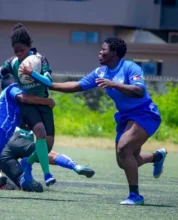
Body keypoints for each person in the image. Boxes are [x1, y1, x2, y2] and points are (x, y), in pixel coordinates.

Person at [47, 36, 167, 205]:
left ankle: (135, 196)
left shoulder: (130, 67)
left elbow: (139, 91)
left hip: (145, 113)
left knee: (124, 148)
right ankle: (157, 157)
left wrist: (115, 85)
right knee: (124, 161)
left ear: (114, 53)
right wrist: (48, 85)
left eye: (104, 49)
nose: (100, 52)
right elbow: (77, 86)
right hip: (125, 117)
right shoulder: (100, 72)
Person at [0, 23, 56, 187]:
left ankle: (27, 163)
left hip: (43, 104)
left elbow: (49, 82)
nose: (19, 54)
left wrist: (32, 74)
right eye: (16, 51)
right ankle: (47, 174)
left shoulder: (40, 60)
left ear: (29, 47)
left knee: (47, 145)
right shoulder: (13, 63)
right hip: (28, 104)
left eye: (22, 50)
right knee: (40, 132)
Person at [0, 76, 95, 192]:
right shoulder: (23, 96)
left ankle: (16, 180)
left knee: (29, 186)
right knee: (44, 151)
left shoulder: (2, 103)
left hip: (2, 150)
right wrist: (47, 101)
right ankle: (74, 166)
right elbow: (27, 102)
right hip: (17, 138)